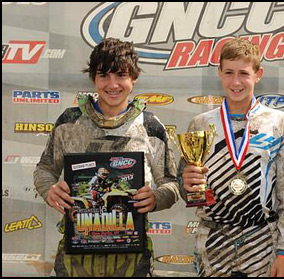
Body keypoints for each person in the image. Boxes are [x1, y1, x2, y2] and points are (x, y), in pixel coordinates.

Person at [33, 38, 180, 277]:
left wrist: (156, 197)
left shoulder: (151, 126)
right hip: (76, 252)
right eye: (104, 75)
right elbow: (44, 169)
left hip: (132, 254)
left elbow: (172, 184)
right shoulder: (69, 122)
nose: (113, 84)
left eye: (121, 75)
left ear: (133, 78)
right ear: (93, 78)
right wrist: (49, 189)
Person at [180, 38, 284, 277]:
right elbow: (188, 190)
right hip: (212, 242)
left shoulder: (277, 122)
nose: (236, 82)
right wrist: (187, 184)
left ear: (258, 74)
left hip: (262, 242)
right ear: (220, 73)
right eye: (229, 73)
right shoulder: (201, 123)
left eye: (244, 73)